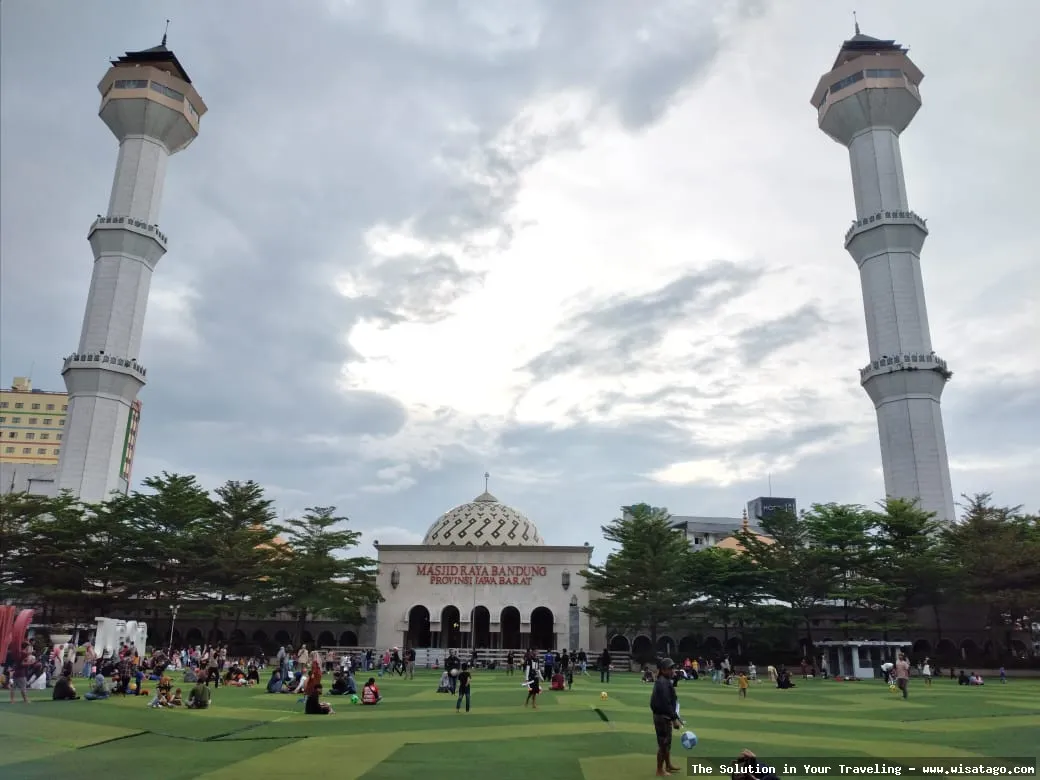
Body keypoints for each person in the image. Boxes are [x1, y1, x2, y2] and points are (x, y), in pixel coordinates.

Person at [650, 658, 682, 777]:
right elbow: (666, 702)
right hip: (662, 717)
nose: (672, 670)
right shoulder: (663, 682)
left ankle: (668, 765)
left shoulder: (664, 681)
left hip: (664, 716)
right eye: (670, 668)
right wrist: (674, 719)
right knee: (664, 743)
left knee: (667, 743)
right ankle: (659, 770)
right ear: (663, 670)